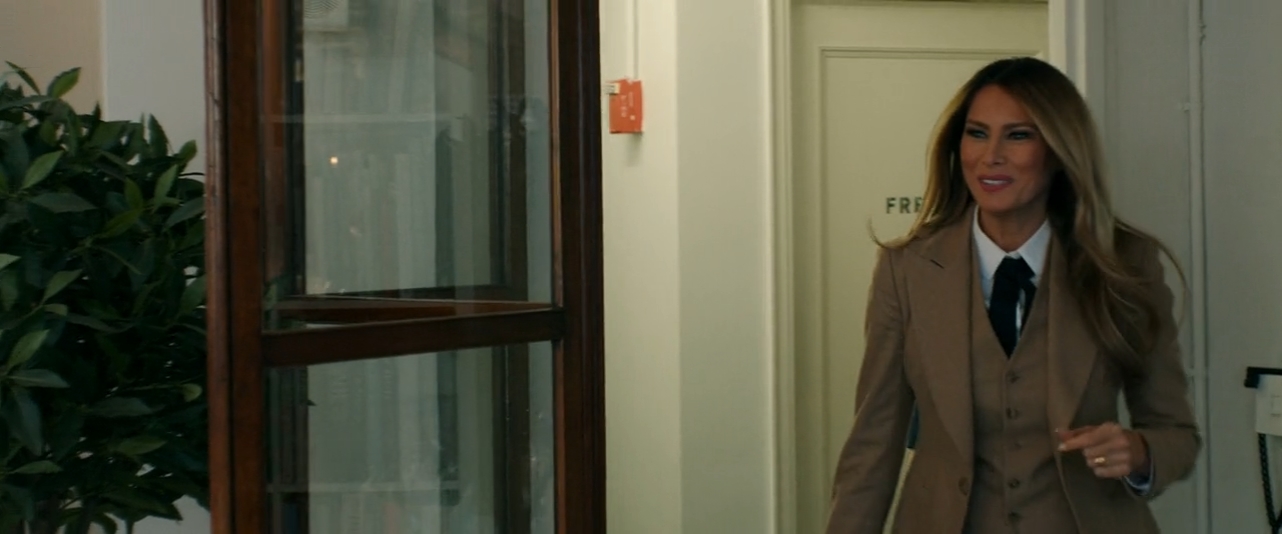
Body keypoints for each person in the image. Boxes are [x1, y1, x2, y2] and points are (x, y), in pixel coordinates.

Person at [823, 56, 1200, 534]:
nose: (991, 156)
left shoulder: (1124, 264)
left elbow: (1176, 433)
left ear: (1059, 150)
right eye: (977, 134)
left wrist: (1140, 452)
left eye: (1018, 135)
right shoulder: (908, 271)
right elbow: (873, 443)